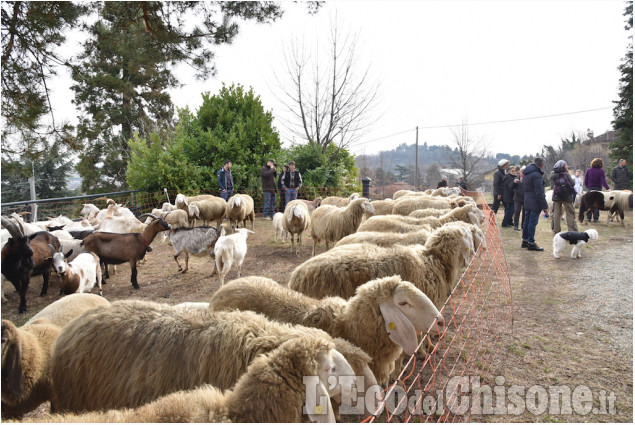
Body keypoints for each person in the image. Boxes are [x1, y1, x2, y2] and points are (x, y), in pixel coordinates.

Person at [522, 157, 549, 251]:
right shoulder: (536, 175)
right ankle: (531, 243)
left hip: (527, 200)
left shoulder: (526, 174)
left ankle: (525, 241)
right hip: (535, 202)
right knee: (532, 222)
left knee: (527, 221)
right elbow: (540, 193)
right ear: (541, 165)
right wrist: (545, 207)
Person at [549, 160, 578, 234]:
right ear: (563, 166)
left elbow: (552, 182)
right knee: (570, 213)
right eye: (566, 164)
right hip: (567, 196)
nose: (567, 166)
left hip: (556, 195)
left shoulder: (553, 174)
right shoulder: (566, 174)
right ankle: (572, 231)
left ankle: (556, 230)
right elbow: (573, 183)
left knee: (556, 212)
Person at [582, 158, 609, 222]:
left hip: (590, 188)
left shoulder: (589, 170)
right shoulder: (601, 171)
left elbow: (585, 181)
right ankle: (596, 218)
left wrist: (588, 187)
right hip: (598, 189)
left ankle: (588, 218)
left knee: (589, 203)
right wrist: (608, 188)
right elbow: (603, 181)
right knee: (597, 203)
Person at [512, 166, 526, 231]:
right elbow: (511, 187)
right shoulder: (516, 178)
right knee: (517, 211)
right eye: (522, 171)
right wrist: (514, 182)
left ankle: (523, 225)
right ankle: (516, 225)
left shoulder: (528, 178)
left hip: (525, 198)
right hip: (517, 198)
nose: (522, 172)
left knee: (524, 212)